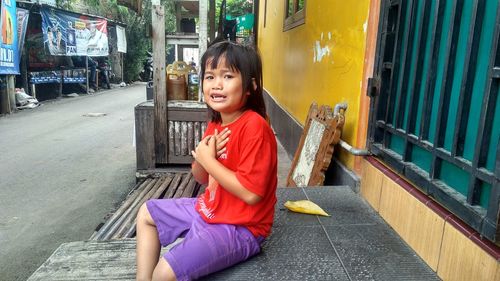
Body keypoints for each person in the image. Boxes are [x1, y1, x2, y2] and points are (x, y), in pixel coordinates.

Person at [136, 40, 278, 281]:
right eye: (210, 76)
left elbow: (251, 193)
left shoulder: (255, 126)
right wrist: (203, 159)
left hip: (241, 227)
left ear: (250, 86)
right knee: (146, 213)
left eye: (228, 76)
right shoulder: (216, 122)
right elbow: (202, 177)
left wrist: (207, 159)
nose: (217, 85)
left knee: (163, 273)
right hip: (210, 209)